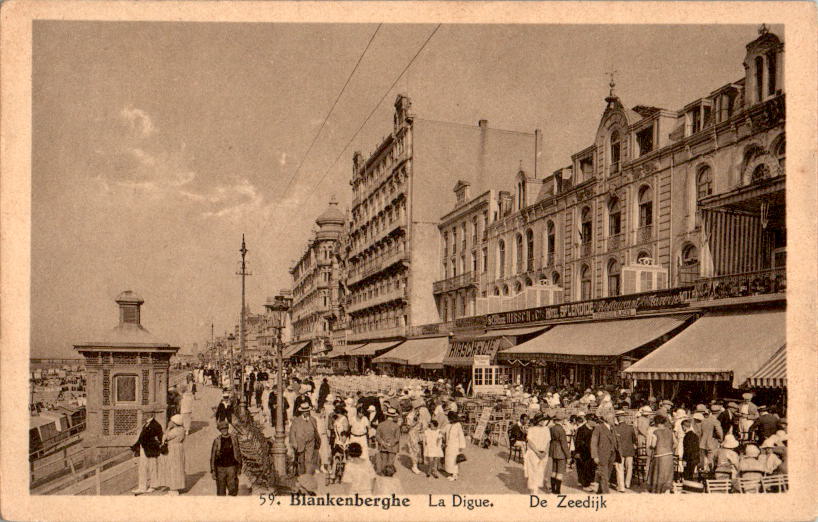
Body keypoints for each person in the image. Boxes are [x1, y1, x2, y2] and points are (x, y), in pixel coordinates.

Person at [131, 412, 163, 494]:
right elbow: (141, 438)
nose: (143, 415)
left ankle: (153, 486)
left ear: (151, 415)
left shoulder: (156, 425)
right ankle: (142, 487)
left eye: (145, 414)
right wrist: (135, 446)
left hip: (151, 450)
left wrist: (155, 446)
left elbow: (160, 438)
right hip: (144, 449)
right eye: (144, 414)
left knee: (153, 468)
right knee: (142, 468)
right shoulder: (146, 424)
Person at [210, 420, 242, 496]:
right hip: (220, 468)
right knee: (221, 491)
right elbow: (213, 456)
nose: (224, 430)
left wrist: (239, 467)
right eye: (222, 429)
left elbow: (238, 453)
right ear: (220, 430)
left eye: (225, 428)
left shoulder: (234, 438)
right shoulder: (217, 441)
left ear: (228, 428)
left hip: (231, 467)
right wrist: (213, 470)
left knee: (233, 489)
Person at [289, 403, 320, 476]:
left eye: (307, 410)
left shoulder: (313, 419)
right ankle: (301, 475)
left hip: (311, 442)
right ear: (301, 412)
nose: (306, 412)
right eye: (304, 411)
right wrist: (294, 443)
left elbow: (316, 431)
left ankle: (307, 475)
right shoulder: (296, 420)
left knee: (309, 459)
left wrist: (317, 440)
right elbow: (292, 433)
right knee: (301, 460)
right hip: (300, 443)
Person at [590, 414, 618, 494]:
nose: (614, 420)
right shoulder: (599, 428)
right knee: (604, 474)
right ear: (607, 419)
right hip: (602, 454)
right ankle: (606, 492)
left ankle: (600, 490)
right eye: (613, 418)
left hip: (612, 454)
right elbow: (593, 443)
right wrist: (595, 456)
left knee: (607, 473)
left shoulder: (613, 428)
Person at [159, 414, 187, 495]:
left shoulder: (175, 430)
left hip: (173, 449)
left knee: (173, 468)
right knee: (178, 467)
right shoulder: (182, 429)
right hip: (179, 449)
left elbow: (165, 437)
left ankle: (174, 489)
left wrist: (168, 428)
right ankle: (177, 486)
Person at [647, 415, 675, 494]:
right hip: (669, 455)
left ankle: (658, 490)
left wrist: (651, 447)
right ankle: (667, 489)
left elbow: (653, 444)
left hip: (659, 455)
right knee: (667, 474)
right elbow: (675, 443)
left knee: (658, 474)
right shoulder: (670, 431)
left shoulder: (655, 432)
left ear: (656, 423)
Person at [523, 414, 550, 494]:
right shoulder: (531, 429)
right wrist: (537, 452)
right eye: (541, 420)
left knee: (540, 471)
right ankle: (533, 491)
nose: (542, 422)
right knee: (532, 471)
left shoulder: (546, 429)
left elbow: (548, 441)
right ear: (537, 421)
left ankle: (536, 488)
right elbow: (530, 442)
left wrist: (545, 452)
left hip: (544, 453)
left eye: (543, 420)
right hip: (533, 453)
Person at [613, 410, 637, 491]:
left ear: (617, 418)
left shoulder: (615, 428)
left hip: (620, 451)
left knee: (620, 468)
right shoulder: (630, 427)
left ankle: (621, 486)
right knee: (629, 467)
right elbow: (634, 439)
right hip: (629, 450)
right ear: (624, 417)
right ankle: (628, 483)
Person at [405, 397, 429, 475]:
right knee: (415, 448)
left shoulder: (421, 413)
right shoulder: (412, 414)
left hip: (419, 433)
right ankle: (414, 466)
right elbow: (409, 425)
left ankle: (418, 463)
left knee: (419, 448)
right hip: (415, 433)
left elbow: (426, 422)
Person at [548, 412, 570, 494]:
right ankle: (557, 490)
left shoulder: (551, 428)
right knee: (560, 472)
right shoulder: (561, 429)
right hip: (560, 452)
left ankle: (553, 489)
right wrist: (568, 456)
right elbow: (564, 444)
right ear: (561, 420)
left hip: (553, 450)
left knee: (554, 470)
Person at [700, 404, 724, 472]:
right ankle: (710, 474)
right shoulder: (715, 421)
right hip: (712, 442)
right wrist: (721, 439)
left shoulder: (704, 420)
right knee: (711, 459)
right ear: (718, 412)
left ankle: (703, 472)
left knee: (704, 460)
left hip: (703, 442)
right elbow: (719, 432)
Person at [376, 407, 401, 474]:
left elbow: (377, 436)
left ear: (386, 415)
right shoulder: (396, 426)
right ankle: (389, 475)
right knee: (390, 461)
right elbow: (397, 438)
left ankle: (383, 474)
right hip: (393, 446)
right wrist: (390, 444)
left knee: (383, 460)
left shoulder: (380, 424)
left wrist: (383, 442)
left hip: (383, 445)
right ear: (394, 416)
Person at [574, 414, 595, 491]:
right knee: (584, 467)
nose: (595, 423)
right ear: (589, 421)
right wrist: (578, 452)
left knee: (590, 467)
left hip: (591, 451)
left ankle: (587, 481)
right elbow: (578, 441)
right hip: (583, 451)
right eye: (593, 421)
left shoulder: (594, 429)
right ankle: (585, 485)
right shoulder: (581, 429)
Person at [444, 411, 466, 482]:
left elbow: (461, 436)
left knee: (454, 460)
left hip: (455, 445)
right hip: (449, 445)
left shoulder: (458, 425)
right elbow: (443, 431)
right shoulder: (448, 425)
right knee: (449, 460)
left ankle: (455, 475)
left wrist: (461, 446)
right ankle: (451, 473)